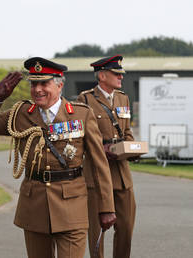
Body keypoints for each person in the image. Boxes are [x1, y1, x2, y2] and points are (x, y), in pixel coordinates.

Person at [0, 57, 117, 258]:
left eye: (44, 83)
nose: (37, 89)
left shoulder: (81, 115)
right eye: (33, 83)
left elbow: (100, 165)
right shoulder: (20, 114)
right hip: (35, 206)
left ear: (59, 85)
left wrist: (107, 207)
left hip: (71, 206)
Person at [76, 55, 136, 258]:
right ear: (102, 75)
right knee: (97, 232)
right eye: (116, 73)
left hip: (121, 175)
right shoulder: (85, 100)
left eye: (121, 74)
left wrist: (130, 148)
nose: (120, 77)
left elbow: (127, 133)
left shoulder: (123, 98)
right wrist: (103, 148)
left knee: (126, 228)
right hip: (96, 176)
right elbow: (81, 139)